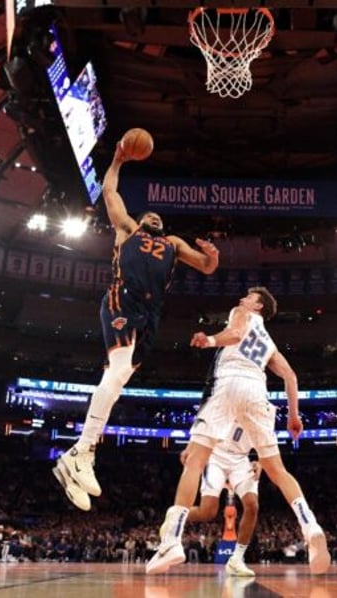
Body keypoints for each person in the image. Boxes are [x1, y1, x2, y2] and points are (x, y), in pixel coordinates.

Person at [53, 139, 220, 512]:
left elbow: (207, 269)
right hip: (122, 300)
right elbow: (110, 190)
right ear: (141, 221)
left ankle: (81, 455)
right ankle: (81, 451)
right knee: (115, 372)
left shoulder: (174, 244)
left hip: (151, 316)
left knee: (117, 379)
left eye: (160, 218)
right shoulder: (127, 228)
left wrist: (212, 257)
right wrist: (116, 160)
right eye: (151, 215)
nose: (155, 217)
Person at [146, 287, 330, 575]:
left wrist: (209, 340)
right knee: (278, 471)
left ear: (257, 305)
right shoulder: (268, 341)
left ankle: (171, 541)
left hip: (229, 384)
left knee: (194, 461)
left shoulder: (242, 313)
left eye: (249, 296)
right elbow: (291, 377)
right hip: (258, 392)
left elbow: (235, 333)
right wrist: (294, 416)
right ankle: (310, 526)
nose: (243, 297)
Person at [180, 420, 261, 577]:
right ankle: (176, 513)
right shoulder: (222, 399)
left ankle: (236, 559)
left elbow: (265, 443)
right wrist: (191, 447)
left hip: (241, 460)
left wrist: (260, 462)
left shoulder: (260, 408)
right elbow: (204, 419)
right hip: (216, 457)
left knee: (252, 505)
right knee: (207, 512)